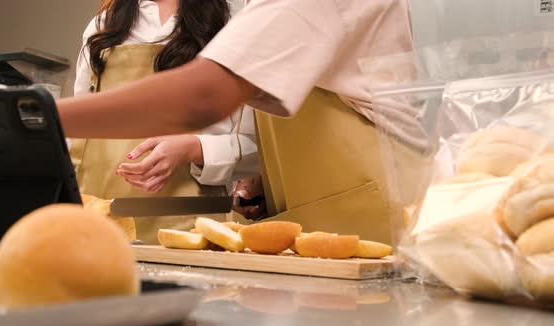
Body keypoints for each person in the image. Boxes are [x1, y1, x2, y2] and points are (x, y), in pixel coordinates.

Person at [59, 0, 430, 244]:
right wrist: (270, 179)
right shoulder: (102, 26)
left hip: (372, 213)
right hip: (339, 207)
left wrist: (38, 114)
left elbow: (204, 96)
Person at [71, 0, 258, 244]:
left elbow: (254, 148)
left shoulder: (234, 20)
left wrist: (191, 148)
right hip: (97, 226)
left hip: (188, 229)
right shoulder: (104, 23)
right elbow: (78, 132)